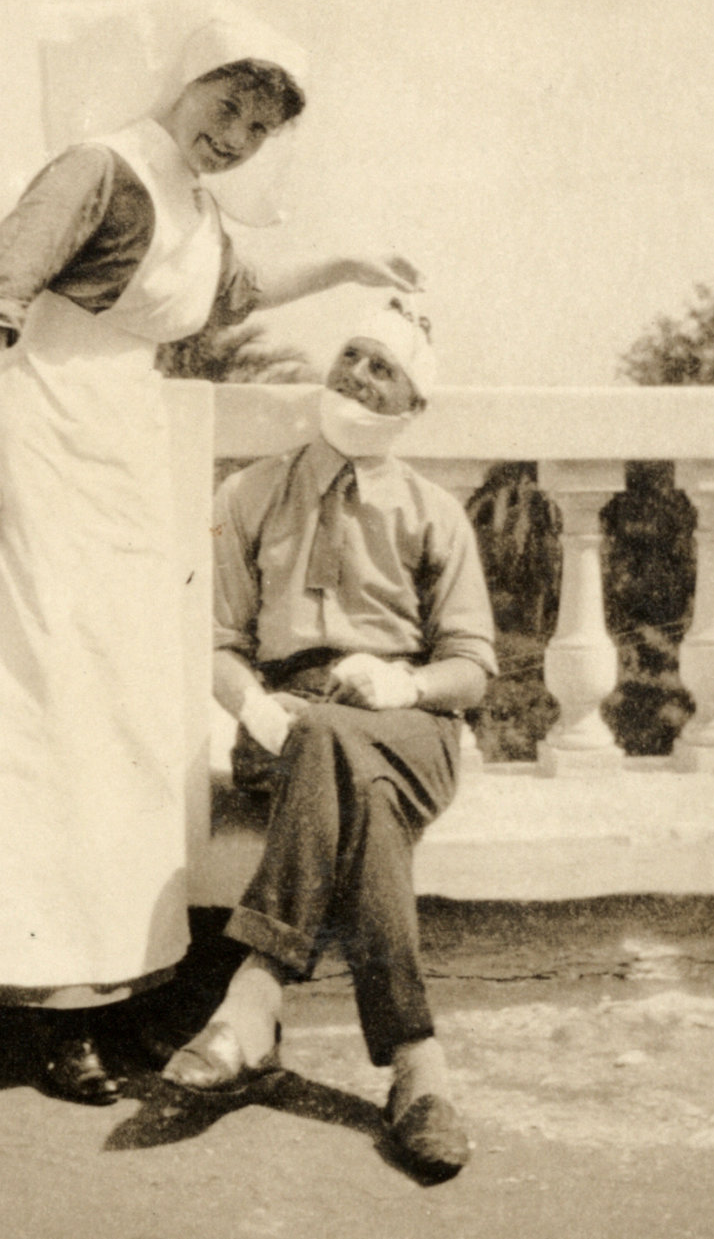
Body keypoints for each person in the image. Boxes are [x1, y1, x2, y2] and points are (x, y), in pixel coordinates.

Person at [0, 0, 420, 1106]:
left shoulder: (193, 203)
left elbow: (228, 296)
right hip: (31, 444)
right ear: (184, 80)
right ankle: (50, 1009)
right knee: (45, 719)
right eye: (226, 107)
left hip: (118, 457)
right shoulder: (99, 167)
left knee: (126, 719)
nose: (232, 137)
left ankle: (113, 981)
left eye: (257, 131)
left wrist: (346, 266)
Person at [161, 299, 497, 1180]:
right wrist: (250, 700)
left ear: (413, 403)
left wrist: (408, 683)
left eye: (383, 367)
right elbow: (214, 636)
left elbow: (472, 665)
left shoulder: (433, 513)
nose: (357, 374)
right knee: (334, 756)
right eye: (351, 354)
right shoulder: (248, 493)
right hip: (287, 720)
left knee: (340, 747)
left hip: (409, 725)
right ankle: (416, 1067)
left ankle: (253, 997)